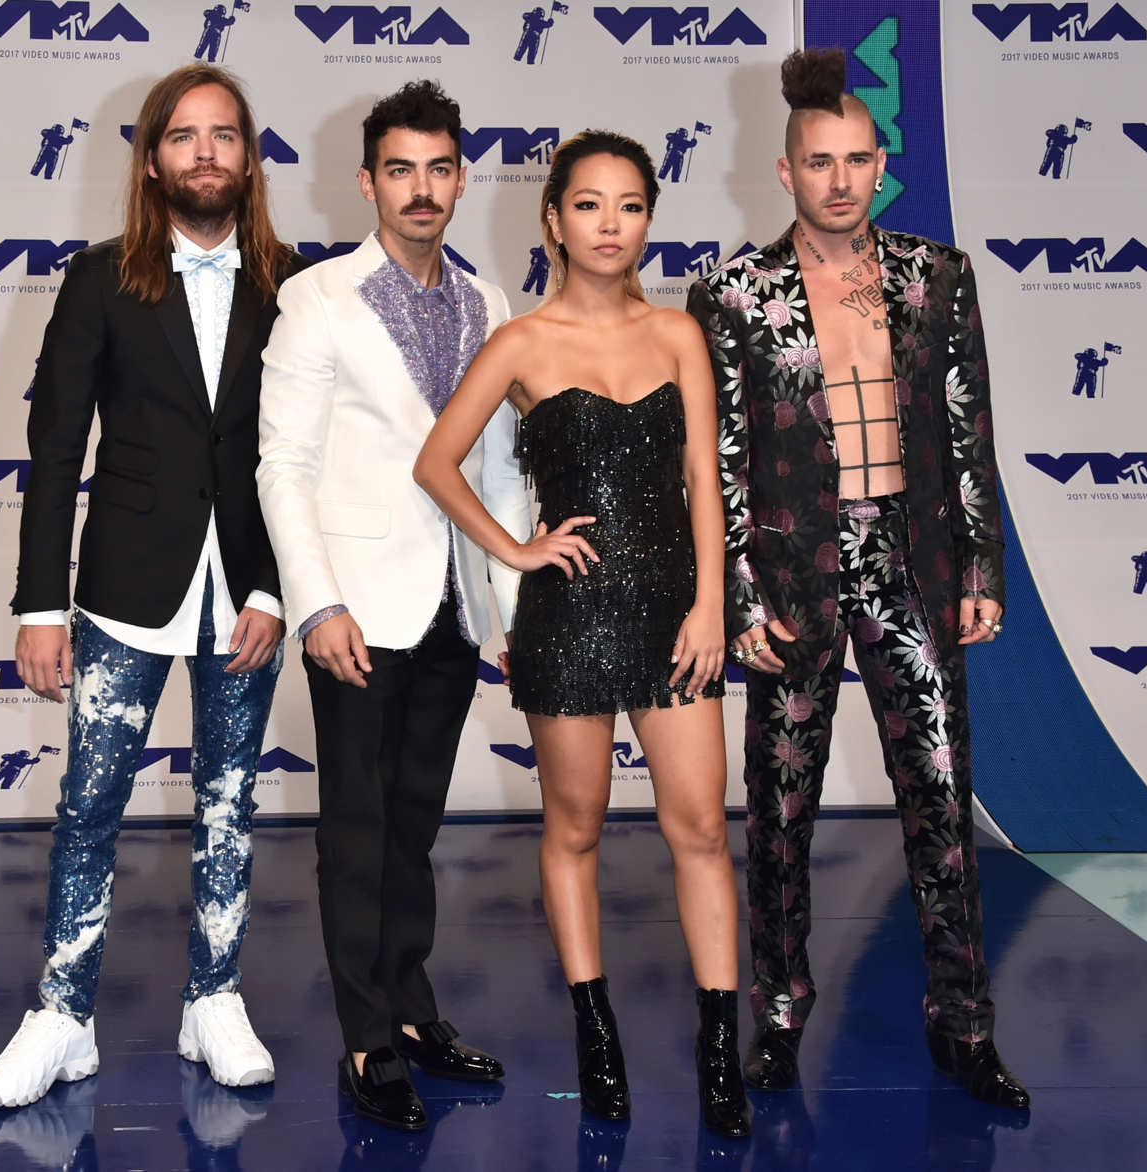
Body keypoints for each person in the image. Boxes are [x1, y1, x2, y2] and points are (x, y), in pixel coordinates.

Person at [686, 47, 1030, 1110]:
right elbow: (721, 461)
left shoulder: (937, 276)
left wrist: (979, 564)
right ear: (783, 170)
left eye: (856, 160)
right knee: (780, 808)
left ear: (881, 165)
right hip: (792, 576)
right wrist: (741, 596)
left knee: (939, 795)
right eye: (818, 161)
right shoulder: (733, 294)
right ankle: (780, 1015)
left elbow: (968, 430)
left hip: (911, 565)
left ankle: (963, 1022)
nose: (839, 180)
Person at [0, 63, 308, 1109]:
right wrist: (40, 604)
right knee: (89, 804)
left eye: (224, 135)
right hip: (122, 590)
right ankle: (62, 1017)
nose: (205, 152)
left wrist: (277, 589)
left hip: (248, 596)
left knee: (229, 805)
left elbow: (302, 455)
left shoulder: (290, 283)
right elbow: (54, 449)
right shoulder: (99, 278)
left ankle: (215, 999)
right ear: (153, 158)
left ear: (248, 158)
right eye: (183, 135)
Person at [414, 129, 750, 1136]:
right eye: (590, 205)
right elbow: (436, 462)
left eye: (630, 206)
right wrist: (517, 551)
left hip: (675, 616)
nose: (611, 224)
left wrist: (711, 604)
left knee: (700, 827)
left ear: (648, 221)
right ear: (553, 220)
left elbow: (703, 482)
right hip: (568, 620)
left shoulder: (678, 333)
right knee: (575, 828)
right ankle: (595, 1035)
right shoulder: (520, 344)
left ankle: (719, 1051)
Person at [257, 80, 526, 1133]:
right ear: (367, 181)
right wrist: (316, 604)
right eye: (400, 169)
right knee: (357, 831)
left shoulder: (489, 303)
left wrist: (509, 608)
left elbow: (497, 470)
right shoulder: (316, 297)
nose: (422, 188)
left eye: (439, 168)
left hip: (453, 607)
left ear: (460, 179)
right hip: (357, 613)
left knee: (412, 826)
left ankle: (411, 1010)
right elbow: (284, 465)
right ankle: (366, 1037)